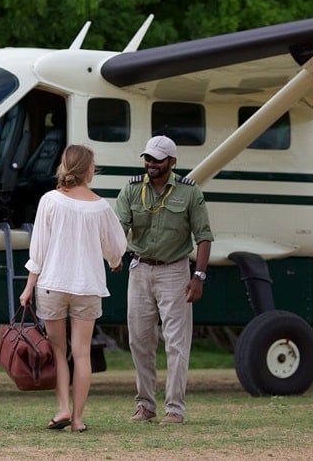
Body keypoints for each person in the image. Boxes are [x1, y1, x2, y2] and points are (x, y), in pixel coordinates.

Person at [19, 144, 127, 433]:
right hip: (88, 287)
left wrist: (29, 287)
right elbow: (117, 247)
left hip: (53, 285)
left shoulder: (50, 201)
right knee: (81, 353)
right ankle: (77, 420)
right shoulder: (102, 207)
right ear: (88, 170)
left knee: (58, 351)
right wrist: (114, 261)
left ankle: (62, 409)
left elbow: (38, 251)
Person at [115, 135, 213, 425]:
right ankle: (145, 405)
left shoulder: (189, 192)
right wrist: (113, 256)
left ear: (172, 162)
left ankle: (175, 409)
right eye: (148, 158)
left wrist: (199, 276)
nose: (151, 164)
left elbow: (204, 236)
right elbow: (118, 228)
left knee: (176, 342)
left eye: (157, 159)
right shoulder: (132, 189)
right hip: (140, 269)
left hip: (175, 270)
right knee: (139, 341)